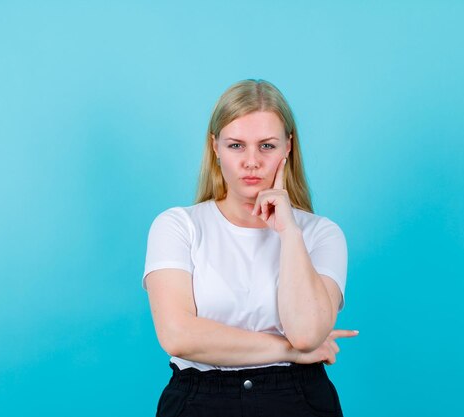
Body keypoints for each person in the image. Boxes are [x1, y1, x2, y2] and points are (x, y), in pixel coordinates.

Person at [142, 79, 357, 417]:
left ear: (289, 146)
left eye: (267, 146)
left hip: (297, 399)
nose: (252, 161)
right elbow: (178, 336)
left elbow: (305, 334)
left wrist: (289, 232)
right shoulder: (177, 226)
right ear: (215, 147)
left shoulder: (321, 234)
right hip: (200, 400)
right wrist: (288, 351)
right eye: (236, 145)